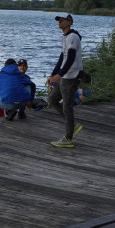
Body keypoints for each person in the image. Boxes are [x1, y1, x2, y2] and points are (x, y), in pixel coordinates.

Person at [48, 13, 83, 149]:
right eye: (58, 20)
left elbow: (71, 58)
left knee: (67, 107)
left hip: (72, 76)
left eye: (62, 20)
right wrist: (53, 74)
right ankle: (72, 126)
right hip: (64, 76)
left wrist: (59, 74)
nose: (59, 22)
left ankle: (68, 138)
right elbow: (62, 57)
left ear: (69, 22)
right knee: (52, 100)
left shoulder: (73, 37)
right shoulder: (65, 37)